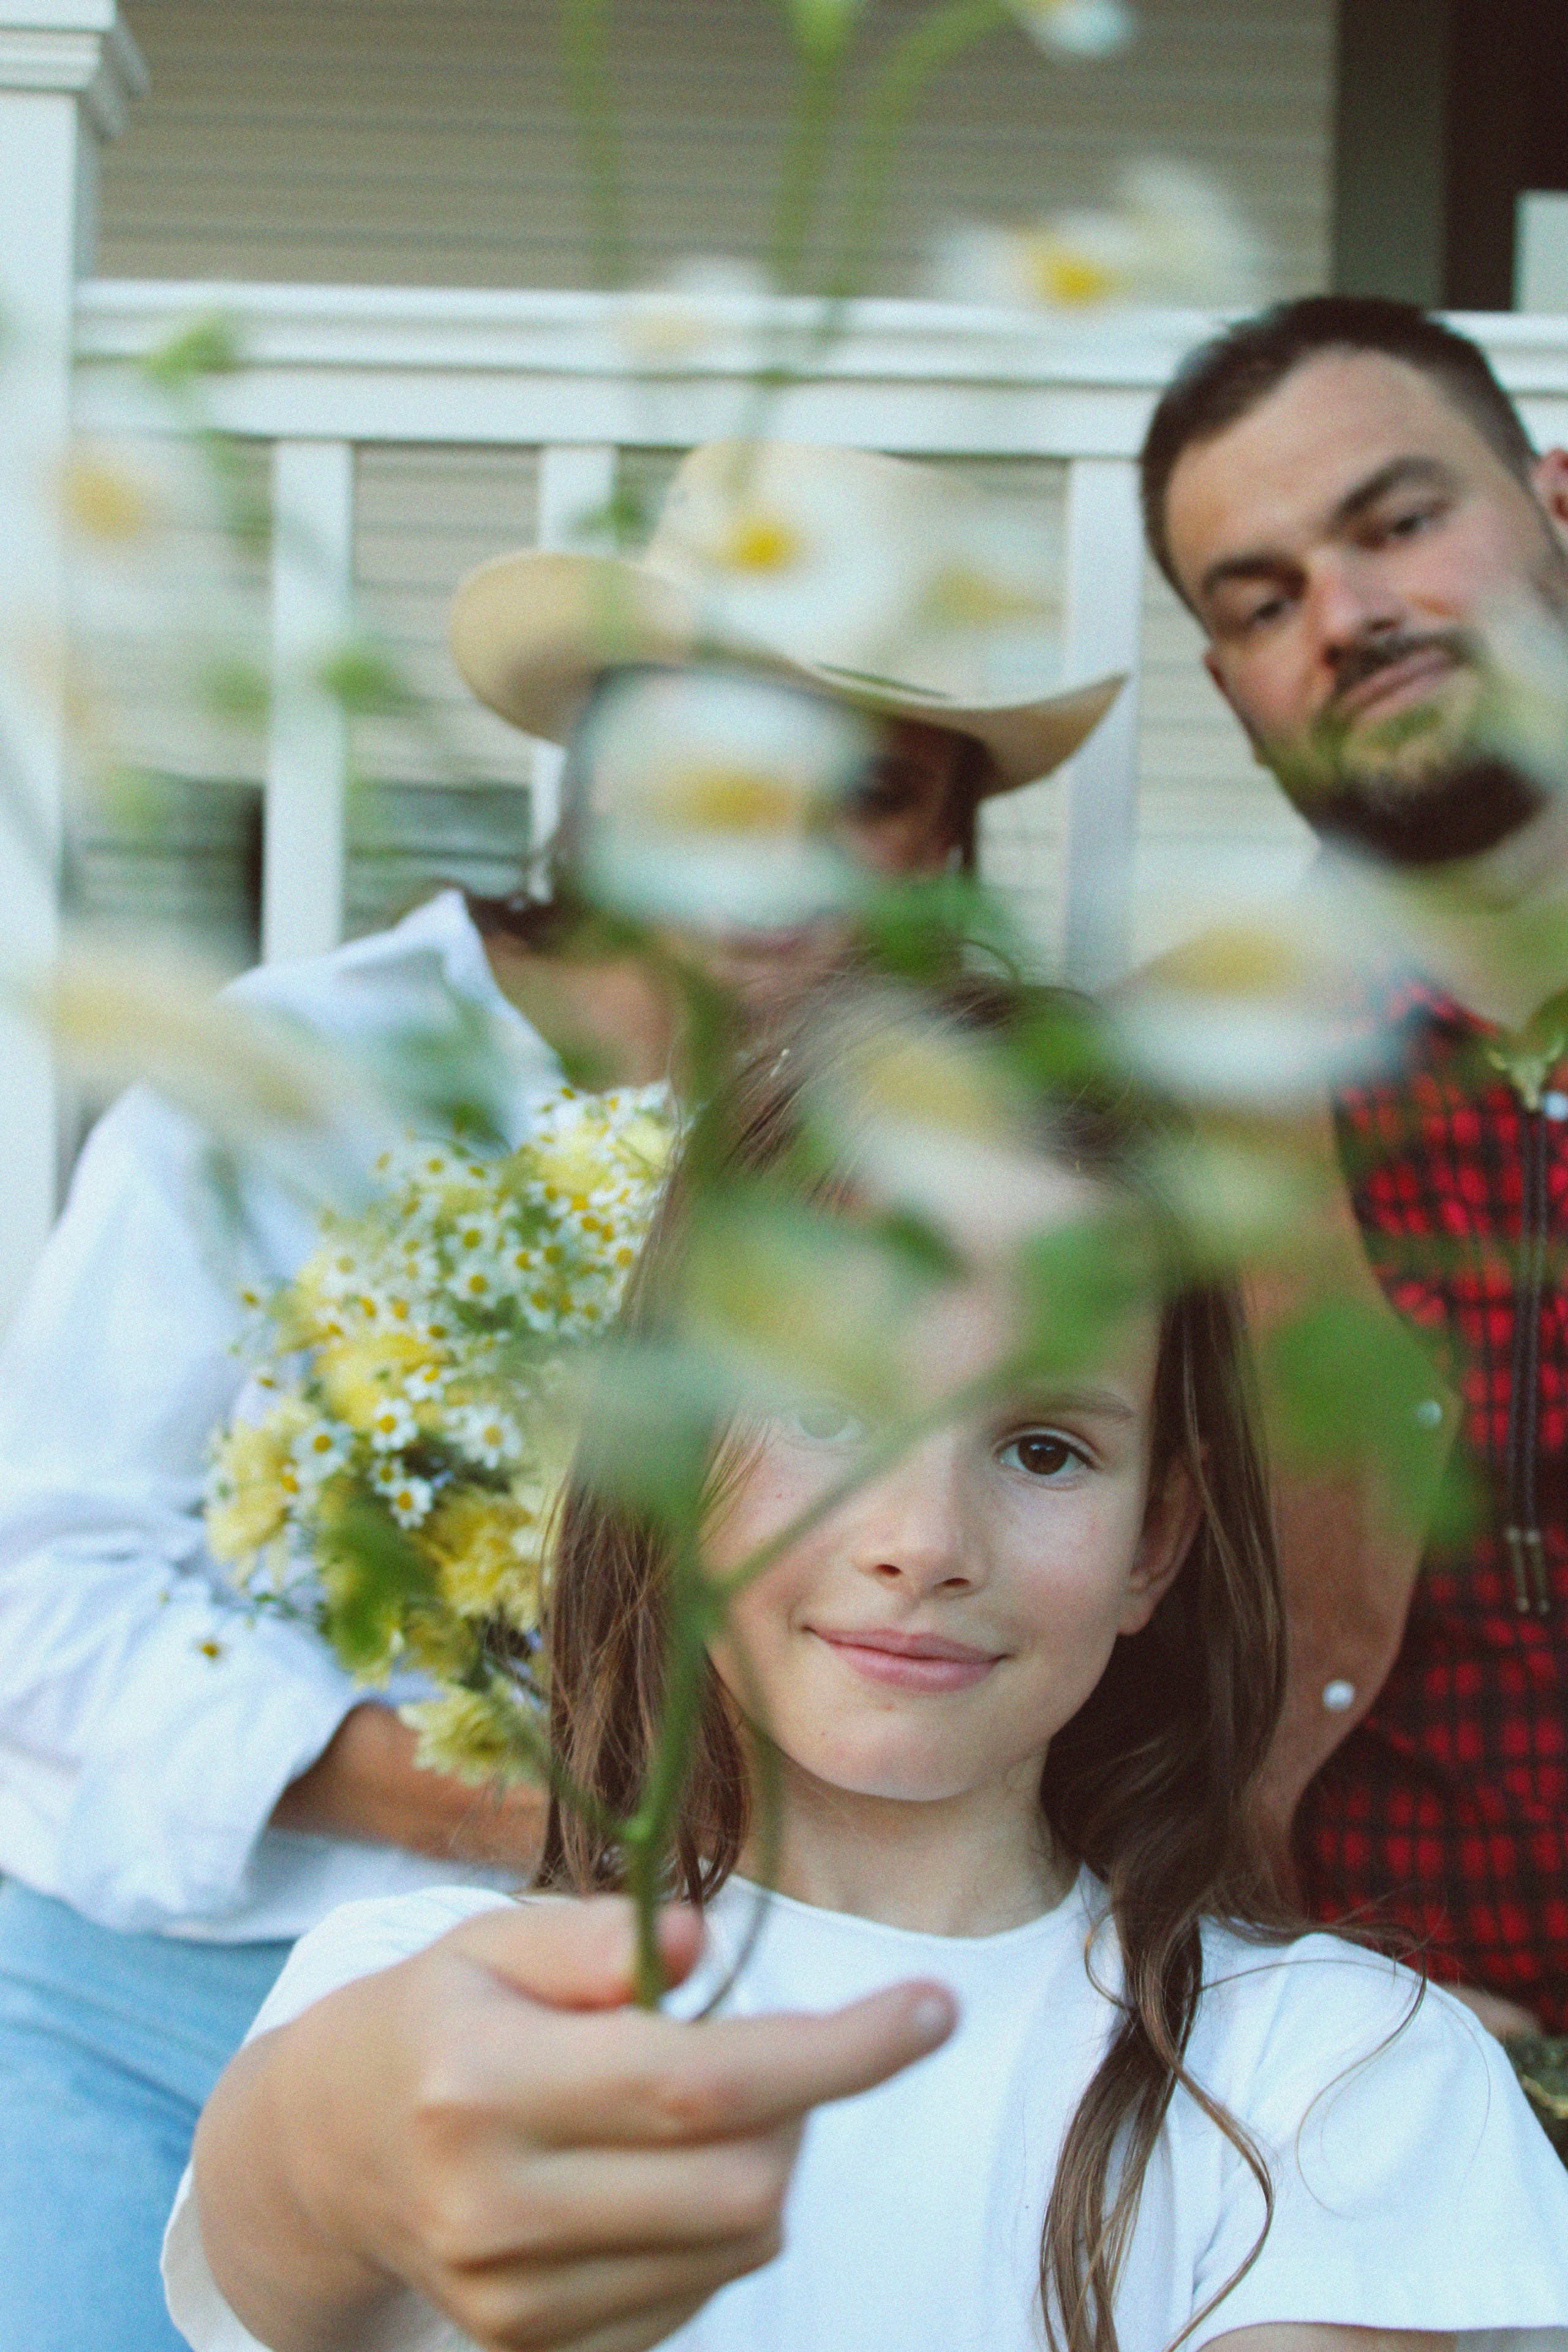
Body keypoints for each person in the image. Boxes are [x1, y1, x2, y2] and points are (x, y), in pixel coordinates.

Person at [0, 439, 1120, 2352]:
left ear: (943, 846)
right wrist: (517, 1806)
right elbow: (39, 1595)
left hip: (639, 2032)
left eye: (866, 791)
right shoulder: (299, 1069)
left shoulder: (945, 1160)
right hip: (151, 1996)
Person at [165, 982, 1568, 2352]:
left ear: (1155, 1541)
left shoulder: (1339, 2072)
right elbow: (294, 2203)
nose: (921, 1541)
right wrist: (342, 2143)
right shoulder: (436, 1992)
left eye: (1040, 1449)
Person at [1129, 295, 1568, 2038]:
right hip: (1355, 2127)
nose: (1353, 613)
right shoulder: (1152, 1102)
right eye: (1262, 596)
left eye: (1399, 523)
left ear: (1553, 509)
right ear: (1235, 691)